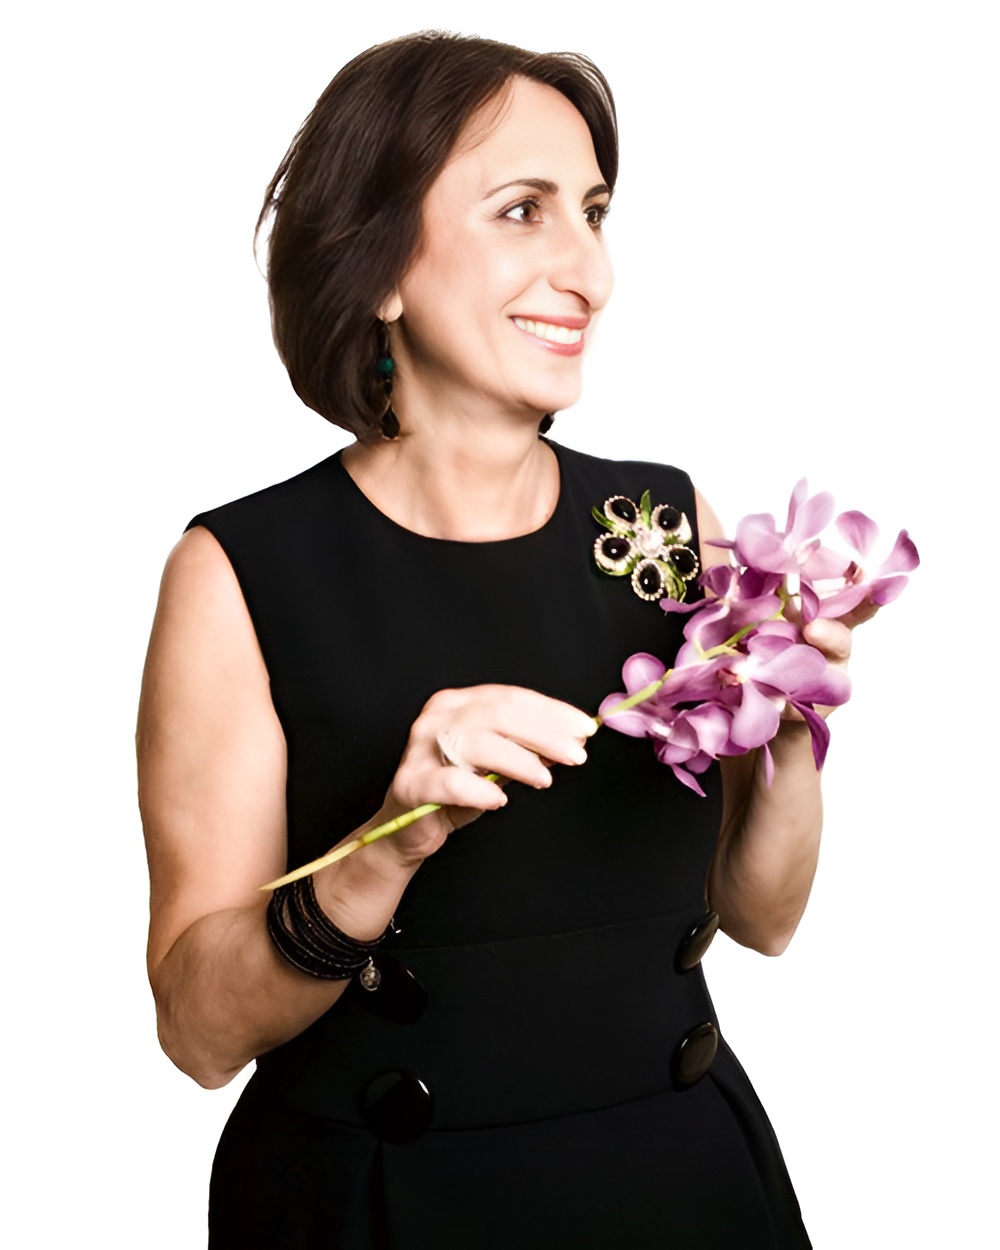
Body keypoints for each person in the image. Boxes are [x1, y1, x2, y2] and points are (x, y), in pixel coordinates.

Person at [138, 31, 856, 1248]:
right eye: (523, 211)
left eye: (593, 211)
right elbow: (199, 1033)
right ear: (379, 268)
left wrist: (792, 724)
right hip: (377, 1203)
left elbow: (763, 916)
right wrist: (386, 844)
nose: (589, 269)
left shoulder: (673, 526)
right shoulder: (239, 571)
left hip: (682, 1186)